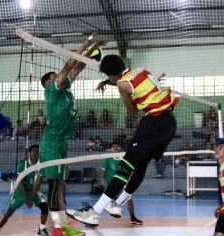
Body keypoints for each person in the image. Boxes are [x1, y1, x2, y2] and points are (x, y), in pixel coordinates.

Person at [72, 54, 179, 227]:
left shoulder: (121, 85)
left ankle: (95, 212)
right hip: (169, 124)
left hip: (154, 122)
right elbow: (132, 84)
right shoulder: (139, 70)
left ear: (109, 74)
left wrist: (127, 96)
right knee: (140, 165)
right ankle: (118, 204)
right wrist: (108, 83)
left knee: (126, 165)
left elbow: (132, 111)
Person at [39, 35, 105, 236]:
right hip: (51, 142)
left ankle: (63, 224)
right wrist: (85, 44)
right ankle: (58, 228)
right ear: (49, 82)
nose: (59, 77)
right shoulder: (52, 90)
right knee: (53, 186)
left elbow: (77, 68)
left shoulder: (65, 90)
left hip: (60, 143)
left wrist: (93, 48)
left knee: (60, 184)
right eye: (55, 76)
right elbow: (68, 66)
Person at [0, 145, 49, 236]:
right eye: (33, 151)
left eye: (37, 151)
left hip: (33, 190)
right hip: (21, 190)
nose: (35, 153)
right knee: (9, 211)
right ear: (30, 153)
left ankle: (42, 229)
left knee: (44, 207)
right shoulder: (22, 164)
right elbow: (21, 182)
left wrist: (31, 198)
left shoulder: (42, 165)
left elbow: (37, 184)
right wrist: (26, 197)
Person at [100, 141, 142, 224]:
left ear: (120, 148)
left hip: (123, 183)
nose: (115, 148)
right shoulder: (107, 159)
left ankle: (132, 218)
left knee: (129, 199)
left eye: (117, 146)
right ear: (111, 148)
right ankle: (95, 217)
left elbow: (129, 171)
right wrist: (104, 184)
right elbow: (103, 174)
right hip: (111, 185)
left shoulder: (124, 158)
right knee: (103, 203)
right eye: (113, 146)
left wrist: (129, 181)